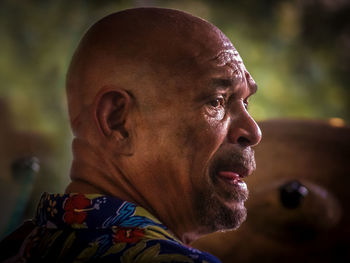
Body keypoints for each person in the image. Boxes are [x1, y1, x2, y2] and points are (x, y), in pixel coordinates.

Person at [0, 7, 261, 263]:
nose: (253, 132)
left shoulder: (20, 246)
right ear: (118, 121)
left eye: (246, 102)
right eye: (217, 101)